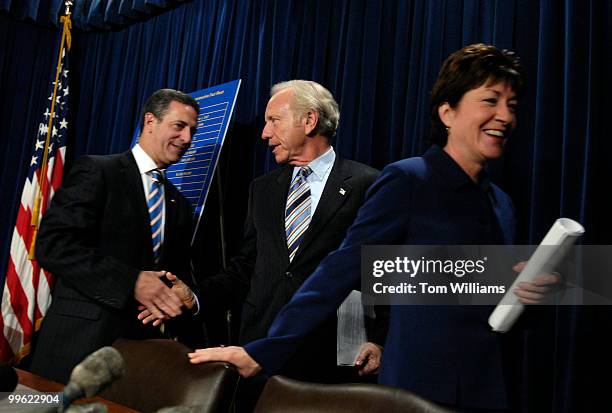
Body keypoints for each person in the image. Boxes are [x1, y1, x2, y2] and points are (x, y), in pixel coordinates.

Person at [188, 45, 559, 412]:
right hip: (417, 392)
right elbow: (342, 269)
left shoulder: (503, 206)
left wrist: (527, 295)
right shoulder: (409, 180)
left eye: (511, 105)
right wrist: (264, 349)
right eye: (490, 101)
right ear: (448, 112)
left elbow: (467, 298)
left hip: (486, 390)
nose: (505, 116)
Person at [140, 80, 384, 409]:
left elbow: (379, 269)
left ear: (309, 121)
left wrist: (380, 339)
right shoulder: (263, 189)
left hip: (332, 355)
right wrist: (195, 296)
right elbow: (245, 269)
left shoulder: (367, 183)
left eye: (274, 121)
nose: (264, 134)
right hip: (261, 348)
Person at [29, 89, 204, 383]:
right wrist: (131, 282)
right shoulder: (98, 171)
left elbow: (174, 272)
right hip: (77, 348)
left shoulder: (180, 205)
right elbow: (53, 245)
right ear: (150, 121)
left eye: (192, 131)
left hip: (136, 359)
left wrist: (169, 301)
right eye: (179, 126)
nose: (187, 139)